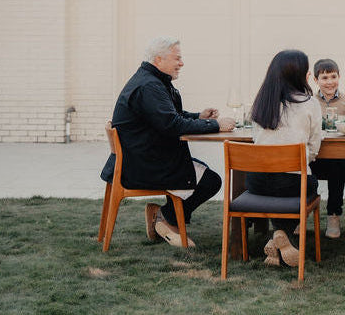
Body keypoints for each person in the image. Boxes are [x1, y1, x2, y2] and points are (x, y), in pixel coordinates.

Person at [102, 36, 236, 247]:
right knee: (211, 180)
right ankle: (166, 218)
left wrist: (199, 117)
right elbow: (172, 125)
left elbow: (168, 116)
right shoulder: (150, 87)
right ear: (158, 59)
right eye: (177, 58)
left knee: (205, 175)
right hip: (146, 166)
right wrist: (216, 125)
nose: (181, 63)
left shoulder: (150, 81)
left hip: (139, 160)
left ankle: (164, 216)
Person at [248, 49, 323, 268]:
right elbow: (314, 149)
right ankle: (283, 233)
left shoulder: (261, 101)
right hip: (291, 182)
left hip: (256, 182)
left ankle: (279, 234)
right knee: (306, 183)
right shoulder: (309, 104)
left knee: (282, 185)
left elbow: (256, 139)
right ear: (300, 74)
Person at [309, 58, 345, 239]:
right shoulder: (310, 102)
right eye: (324, 77)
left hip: (339, 158)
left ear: (339, 77)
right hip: (316, 157)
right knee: (299, 165)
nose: (329, 82)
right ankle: (300, 216)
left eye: (333, 76)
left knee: (337, 166)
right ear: (316, 80)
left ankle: (333, 216)